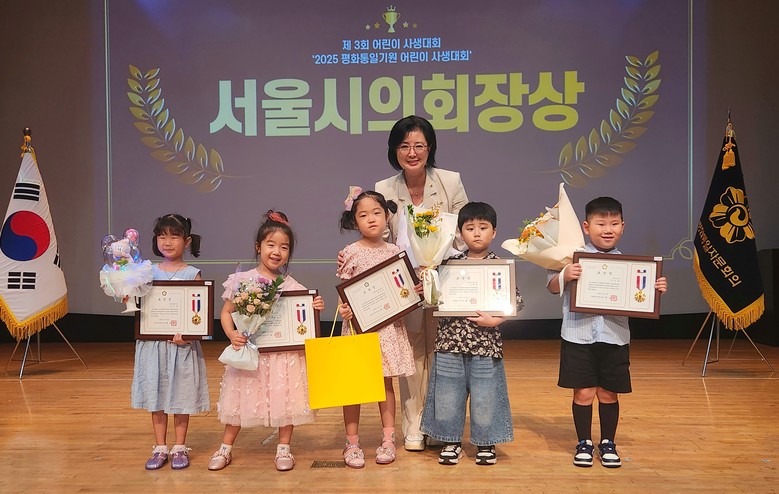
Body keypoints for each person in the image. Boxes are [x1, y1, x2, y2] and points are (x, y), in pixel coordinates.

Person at [546, 197, 668, 468]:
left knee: (608, 394)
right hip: (578, 336)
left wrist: (654, 288)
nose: (608, 229)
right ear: (586, 227)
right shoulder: (572, 259)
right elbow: (552, 287)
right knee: (583, 393)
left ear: (623, 226)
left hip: (615, 337)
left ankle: (608, 443)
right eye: (601, 224)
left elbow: (641, 298)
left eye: (614, 223)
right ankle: (584, 443)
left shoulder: (631, 266)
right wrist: (566, 274)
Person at [374, 115, 469, 452]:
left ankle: (441, 424)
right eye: (404, 146)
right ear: (394, 150)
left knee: (442, 351)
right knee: (411, 353)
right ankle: (414, 425)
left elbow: (465, 230)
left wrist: (437, 258)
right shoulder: (384, 189)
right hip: (404, 284)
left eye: (419, 146)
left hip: (445, 279)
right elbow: (381, 237)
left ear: (430, 148)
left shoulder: (450, 181)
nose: (412, 153)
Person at [208, 211, 325, 472]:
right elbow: (226, 312)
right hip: (252, 352)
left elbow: (303, 312)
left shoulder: (290, 284)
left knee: (286, 399)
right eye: (271, 244)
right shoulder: (242, 280)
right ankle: (225, 448)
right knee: (240, 399)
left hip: (282, 356)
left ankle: (283, 448)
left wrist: (315, 306)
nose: (277, 252)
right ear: (258, 247)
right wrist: (231, 334)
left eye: (284, 247)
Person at [420, 202, 522, 466]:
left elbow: (515, 301)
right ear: (460, 233)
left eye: (483, 227)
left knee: (486, 395)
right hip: (449, 342)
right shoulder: (447, 265)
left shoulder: (500, 266)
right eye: (470, 228)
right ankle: (450, 441)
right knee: (447, 394)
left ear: (494, 232)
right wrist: (427, 283)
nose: (477, 233)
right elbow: (433, 300)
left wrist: (495, 320)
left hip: (486, 344)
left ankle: (486, 443)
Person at [337, 190, 417, 468]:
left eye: (376, 213)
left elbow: (403, 289)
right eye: (363, 215)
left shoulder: (395, 252)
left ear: (386, 216)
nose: (371, 219)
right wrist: (344, 309)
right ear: (354, 221)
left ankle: (388, 439)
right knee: (355, 386)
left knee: (386, 383)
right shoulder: (350, 252)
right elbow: (344, 293)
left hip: (388, 329)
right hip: (358, 330)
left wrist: (414, 291)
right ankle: (352, 443)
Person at [131, 213, 210, 470]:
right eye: (162, 236)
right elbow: (138, 303)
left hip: (181, 347)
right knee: (156, 395)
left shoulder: (192, 274)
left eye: (174, 236)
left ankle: (179, 447)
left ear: (186, 241)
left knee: (181, 396)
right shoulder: (146, 272)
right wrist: (126, 293)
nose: (167, 242)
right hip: (153, 346)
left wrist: (188, 334)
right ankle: (160, 447)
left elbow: (199, 313)